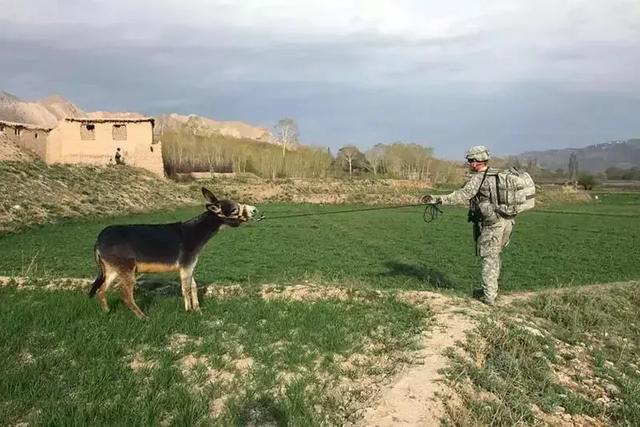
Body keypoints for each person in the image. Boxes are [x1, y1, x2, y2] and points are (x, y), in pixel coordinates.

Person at [422, 146, 514, 305]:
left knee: (489, 259)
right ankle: (491, 290)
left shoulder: (480, 177)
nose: (469, 163)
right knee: (495, 256)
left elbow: (462, 195)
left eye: (470, 160)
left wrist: (437, 199)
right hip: (508, 221)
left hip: (493, 224)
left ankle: (489, 297)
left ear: (477, 161)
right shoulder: (498, 174)